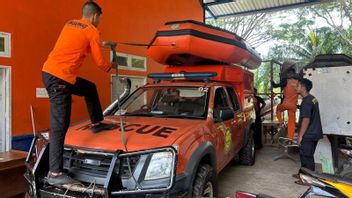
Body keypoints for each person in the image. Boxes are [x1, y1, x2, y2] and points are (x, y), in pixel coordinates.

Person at [42, 1, 117, 185]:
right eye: (100, 19)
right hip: (60, 79)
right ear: (94, 16)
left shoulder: (70, 23)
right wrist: (111, 66)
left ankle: (97, 122)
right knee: (60, 125)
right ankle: (55, 173)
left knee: (89, 88)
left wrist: (103, 43)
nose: (99, 22)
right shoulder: (92, 30)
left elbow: (81, 42)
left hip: (53, 73)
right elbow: (99, 62)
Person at [293, 78, 323, 185]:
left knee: (307, 157)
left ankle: (308, 180)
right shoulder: (312, 98)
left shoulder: (306, 102)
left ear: (303, 88)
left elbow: (306, 120)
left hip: (308, 134)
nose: (296, 87)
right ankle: (302, 173)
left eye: (298, 85)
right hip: (315, 132)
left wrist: (300, 136)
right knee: (306, 155)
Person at [273, 68, 299, 141]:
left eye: (288, 73)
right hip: (293, 106)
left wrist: (271, 82)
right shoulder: (298, 82)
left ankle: (281, 123)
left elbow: (275, 86)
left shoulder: (285, 81)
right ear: (294, 74)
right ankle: (290, 139)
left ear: (288, 74)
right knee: (292, 123)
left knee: (278, 108)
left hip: (285, 104)